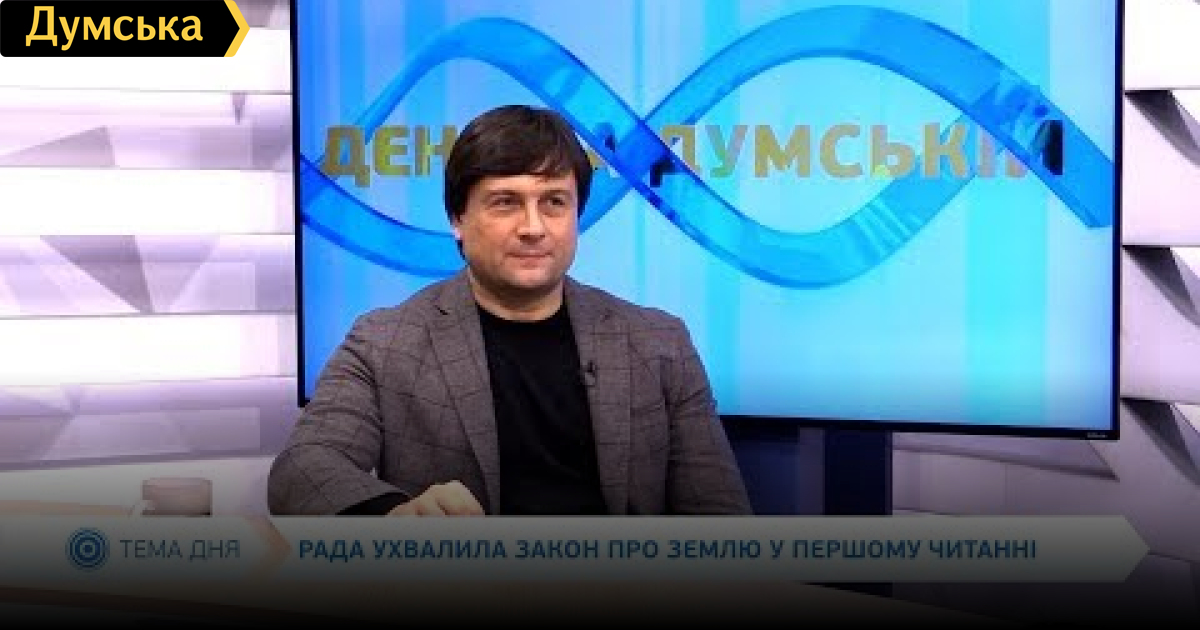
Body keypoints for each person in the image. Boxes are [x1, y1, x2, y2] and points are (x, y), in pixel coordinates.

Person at [268, 104, 752, 516]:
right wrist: (395, 518)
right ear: (458, 219)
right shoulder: (384, 343)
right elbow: (302, 470)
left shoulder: (659, 343)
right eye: (506, 203)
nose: (533, 227)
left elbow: (720, 518)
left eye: (554, 202)